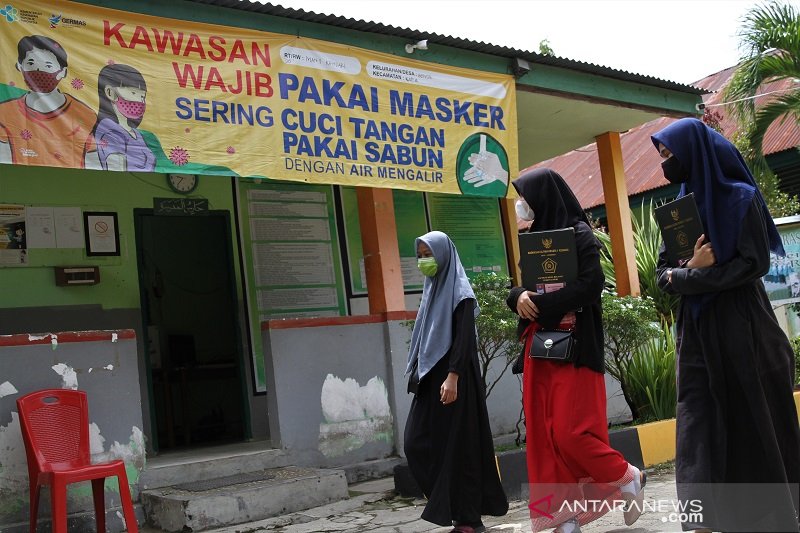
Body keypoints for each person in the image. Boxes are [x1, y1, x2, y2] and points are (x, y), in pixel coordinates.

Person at [653, 118, 800, 532]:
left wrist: (687, 278)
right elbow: (663, 273)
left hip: (743, 328)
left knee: (753, 418)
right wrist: (690, 273)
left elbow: (753, 264)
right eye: (662, 155)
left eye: (669, 154)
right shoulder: (680, 209)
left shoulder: (740, 199)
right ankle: (701, 518)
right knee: (696, 420)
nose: (665, 163)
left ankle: (768, 516)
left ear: (693, 152)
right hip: (697, 334)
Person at [507, 168, 646, 533]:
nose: (521, 205)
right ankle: (564, 519)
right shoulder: (533, 237)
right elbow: (521, 286)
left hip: (576, 347)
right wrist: (518, 296)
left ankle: (625, 475)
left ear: (543, 197)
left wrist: (541, 302)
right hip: (542, 349)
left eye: (525, 196)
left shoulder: (581, 235)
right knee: (545, 437)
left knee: (571, 432)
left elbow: (591, 286)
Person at [404, 230, 508, 533]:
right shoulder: (432, 289)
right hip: (430, 379)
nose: (424, 261)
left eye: (429, 255)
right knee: (416, 443)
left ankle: (468, 520)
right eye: (420, 255)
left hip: (454, 378)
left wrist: (453, 377)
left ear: (444, 255)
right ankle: (455, 509)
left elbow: (463, 340)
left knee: (461, 449)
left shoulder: (460, 292)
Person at [0, 35, 96, 167]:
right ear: (20, 66)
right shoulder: (5, 112)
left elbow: (94, 162)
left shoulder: (86, 114)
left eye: (48, 65)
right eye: (31, 63)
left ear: (63, 72)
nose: (39, 70)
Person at [91, 64, 156, 172]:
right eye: (134, 93)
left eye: (142, 97)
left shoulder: (137, 134)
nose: (140, 101)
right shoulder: (109, 131)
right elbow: (115, 169)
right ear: (110, 92)